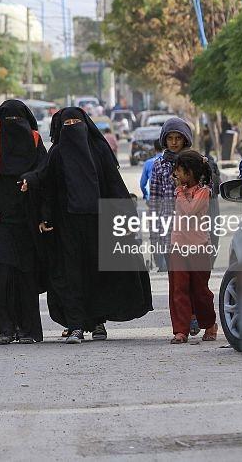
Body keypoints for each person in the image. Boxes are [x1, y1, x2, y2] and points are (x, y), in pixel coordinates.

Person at [22, 107, 153, 345]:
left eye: (76, 121)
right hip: (67, 224)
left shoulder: (99, 150)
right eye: (67, 122)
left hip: (99, 222)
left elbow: (113, 184)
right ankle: (75, 326)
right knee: (71, 275)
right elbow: (46, 183)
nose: (72, 126)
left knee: (98, 274)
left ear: (85, 123)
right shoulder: (58, 152)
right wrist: (44, 214)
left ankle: (98, 322)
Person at [0, 99, 48, 345]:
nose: (13, 126)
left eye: (17, 121)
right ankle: (5, 328)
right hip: (1, 222)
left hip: (28, 220)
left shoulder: (35, 141)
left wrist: (32, 178)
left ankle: (27, 328)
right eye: (7, 121)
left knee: (26, 276)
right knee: (2, 273)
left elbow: (45, 171)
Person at [147, 117, 221, 272]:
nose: (174, 142)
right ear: (164, 140)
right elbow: (154, 201)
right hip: (169, 231)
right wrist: (154, 232)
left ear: (185, 139)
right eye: (170, 138)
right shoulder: (159, 165)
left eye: (178, 138)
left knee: (196, 277)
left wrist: (204, 167)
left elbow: (209, 191)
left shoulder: (196, 162)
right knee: (176, 279)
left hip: (195, 230)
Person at [168, 149, 218, 344]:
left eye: (180, 171)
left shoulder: (204, 192)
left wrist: (180, 191)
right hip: (178, 246)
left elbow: (189, 210)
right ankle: (181, 330)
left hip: (199, 247)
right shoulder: (179, 191)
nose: (176, 175)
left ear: (191, 172)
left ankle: (209, 324)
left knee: (200, 291)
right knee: (178, 289)